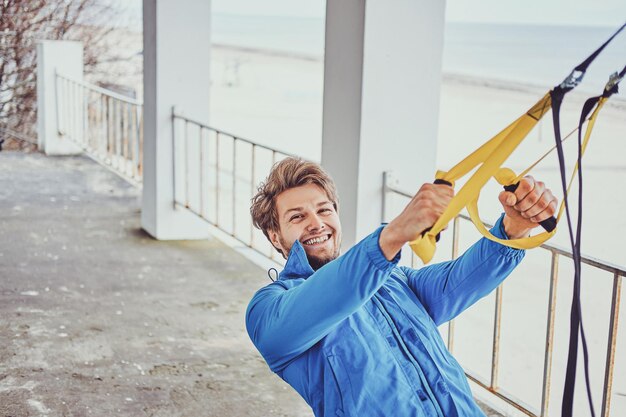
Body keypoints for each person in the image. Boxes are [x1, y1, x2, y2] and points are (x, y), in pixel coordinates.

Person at [246, 157, 557, 417]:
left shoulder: (395, 279)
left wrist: (514, 229)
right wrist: (393, 235)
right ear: (275, 236)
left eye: (324, 210)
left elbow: (463, 277)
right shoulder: (268, 309)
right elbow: (326, 297)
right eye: (298, 217)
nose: (316, 223)